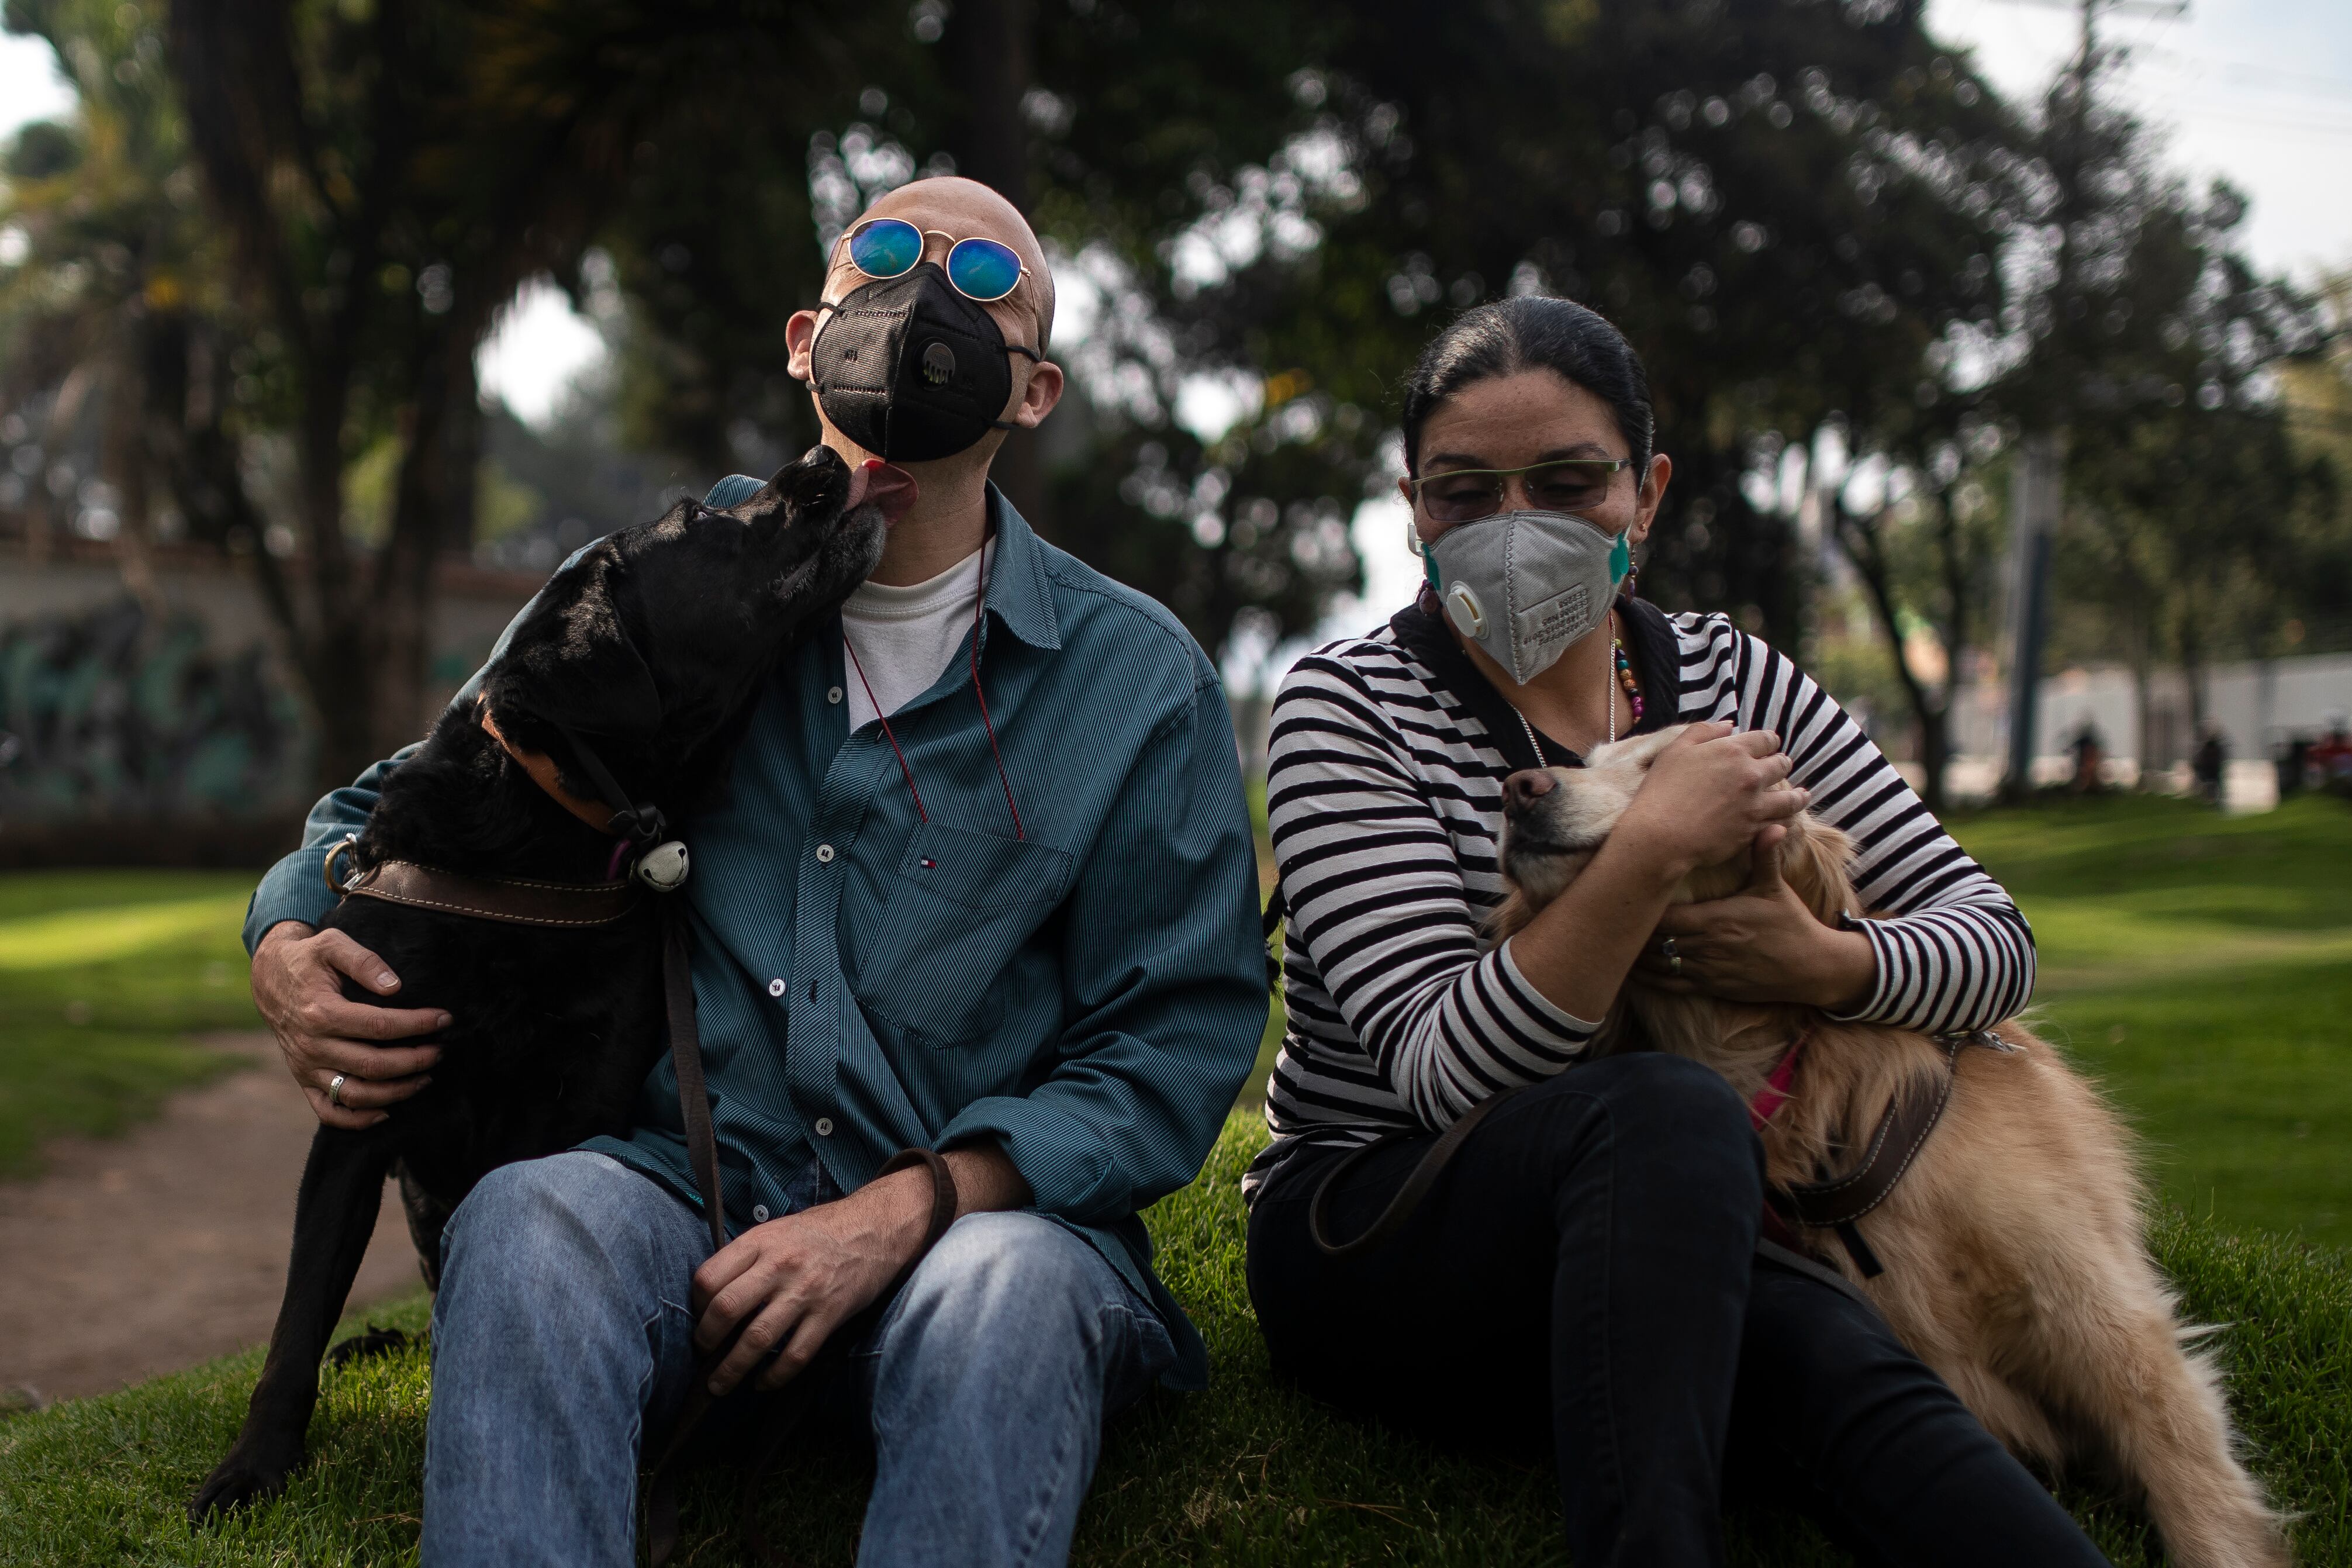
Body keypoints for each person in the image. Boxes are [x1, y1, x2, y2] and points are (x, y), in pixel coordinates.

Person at [239, 177, 1267, 1568]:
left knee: (1010, 1292)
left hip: (969, 1240)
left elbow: (1169, 1043)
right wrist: (288, 936)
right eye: (883, 263)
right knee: (532, 1217)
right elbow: (415, 788)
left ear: (1035, 392)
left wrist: (912, 1205)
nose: (923, 304)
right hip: (679, 1212)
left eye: (983, 285)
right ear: (804, 340)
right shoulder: (671, 583)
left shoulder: (1137, 683)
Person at [1244, 297, 2109, 1566]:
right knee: (1664, 1111)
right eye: (1463, 491)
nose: (1510, 523)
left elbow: (1993, 942)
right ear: (1412, 508)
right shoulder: (1344, 708)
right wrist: (1653, 846)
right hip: (1384, 1222)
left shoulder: (1736, 681)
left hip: (1678, 1220)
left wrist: (1824, 962)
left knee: (1825, 1352)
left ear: (1643, 495)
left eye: (1565, 482)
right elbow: (1442, 1071)